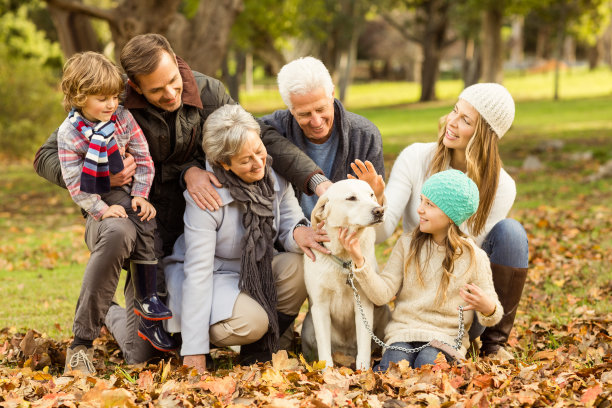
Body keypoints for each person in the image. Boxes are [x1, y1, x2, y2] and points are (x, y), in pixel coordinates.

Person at [33, 34, 329, 366]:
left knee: (185, 311)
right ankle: (110, 314)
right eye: (157, 90)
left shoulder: (208, 91)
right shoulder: (115, 101)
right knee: (141, 353)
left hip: (191, 220)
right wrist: (100, 175)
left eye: (173, 81)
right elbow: (45, 156)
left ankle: (248, 340)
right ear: (136, 87)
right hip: (137, 221)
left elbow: (253, 136)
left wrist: (317, 182)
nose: (171, 93)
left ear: (176, 61)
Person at [352, 83, 528, 357]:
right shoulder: (415, 158)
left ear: (484, 135)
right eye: (454, 111)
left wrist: (482, 306)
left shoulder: (501, 186)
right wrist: (376, 200)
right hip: (414, 304)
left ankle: (494, 345)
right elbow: (384, 232)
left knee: (512, 234)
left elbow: (469, 256)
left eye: (465, 120)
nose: (451, 122)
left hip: (455, 311)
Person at [163, 104, 317, 373]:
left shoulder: (273, 175)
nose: (259, 163)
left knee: (300, 266)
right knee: (253, 322)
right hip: (212, 276)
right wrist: (194, 351)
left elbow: (289, 221)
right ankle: (195, 337)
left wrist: (299, 233)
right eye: (246, 160)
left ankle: (258, 350)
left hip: (254, 270)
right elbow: (197, 275)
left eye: (259, 151)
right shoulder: (206, 196)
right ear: (224, 163)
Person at [56, 52, 173, 375]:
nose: (110, 105)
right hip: (103, 212)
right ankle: (81, 343)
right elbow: (76, 185)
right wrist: (103, 208)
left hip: (136, 207)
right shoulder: (69, 134)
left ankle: (113, 308)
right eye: (101, 98)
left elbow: (144, 158)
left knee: (141, 356)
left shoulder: (122, 118)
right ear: (79, 96)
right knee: (120, 229)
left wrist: (139, 195)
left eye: (114, 97)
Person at [339, 169, 503, 370]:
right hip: (403, 333)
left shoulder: (473, 257)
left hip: (445, 338)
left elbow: (494, 313)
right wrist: (359, 260)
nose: (419, 209)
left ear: (451, 215)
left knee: (427, 363)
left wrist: (487, 306)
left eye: (429, 205)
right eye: (421, 200)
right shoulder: (407, 245)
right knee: (394, 367)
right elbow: (382, 295)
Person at [261, 56, 385, 220]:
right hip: (287, 238)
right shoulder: (270, 131)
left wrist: (378, 196)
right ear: (290, 108)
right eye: (304, 114)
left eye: (321, 109)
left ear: (332, 94)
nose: (316, 122)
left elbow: (377, 216)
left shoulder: (365, 136)